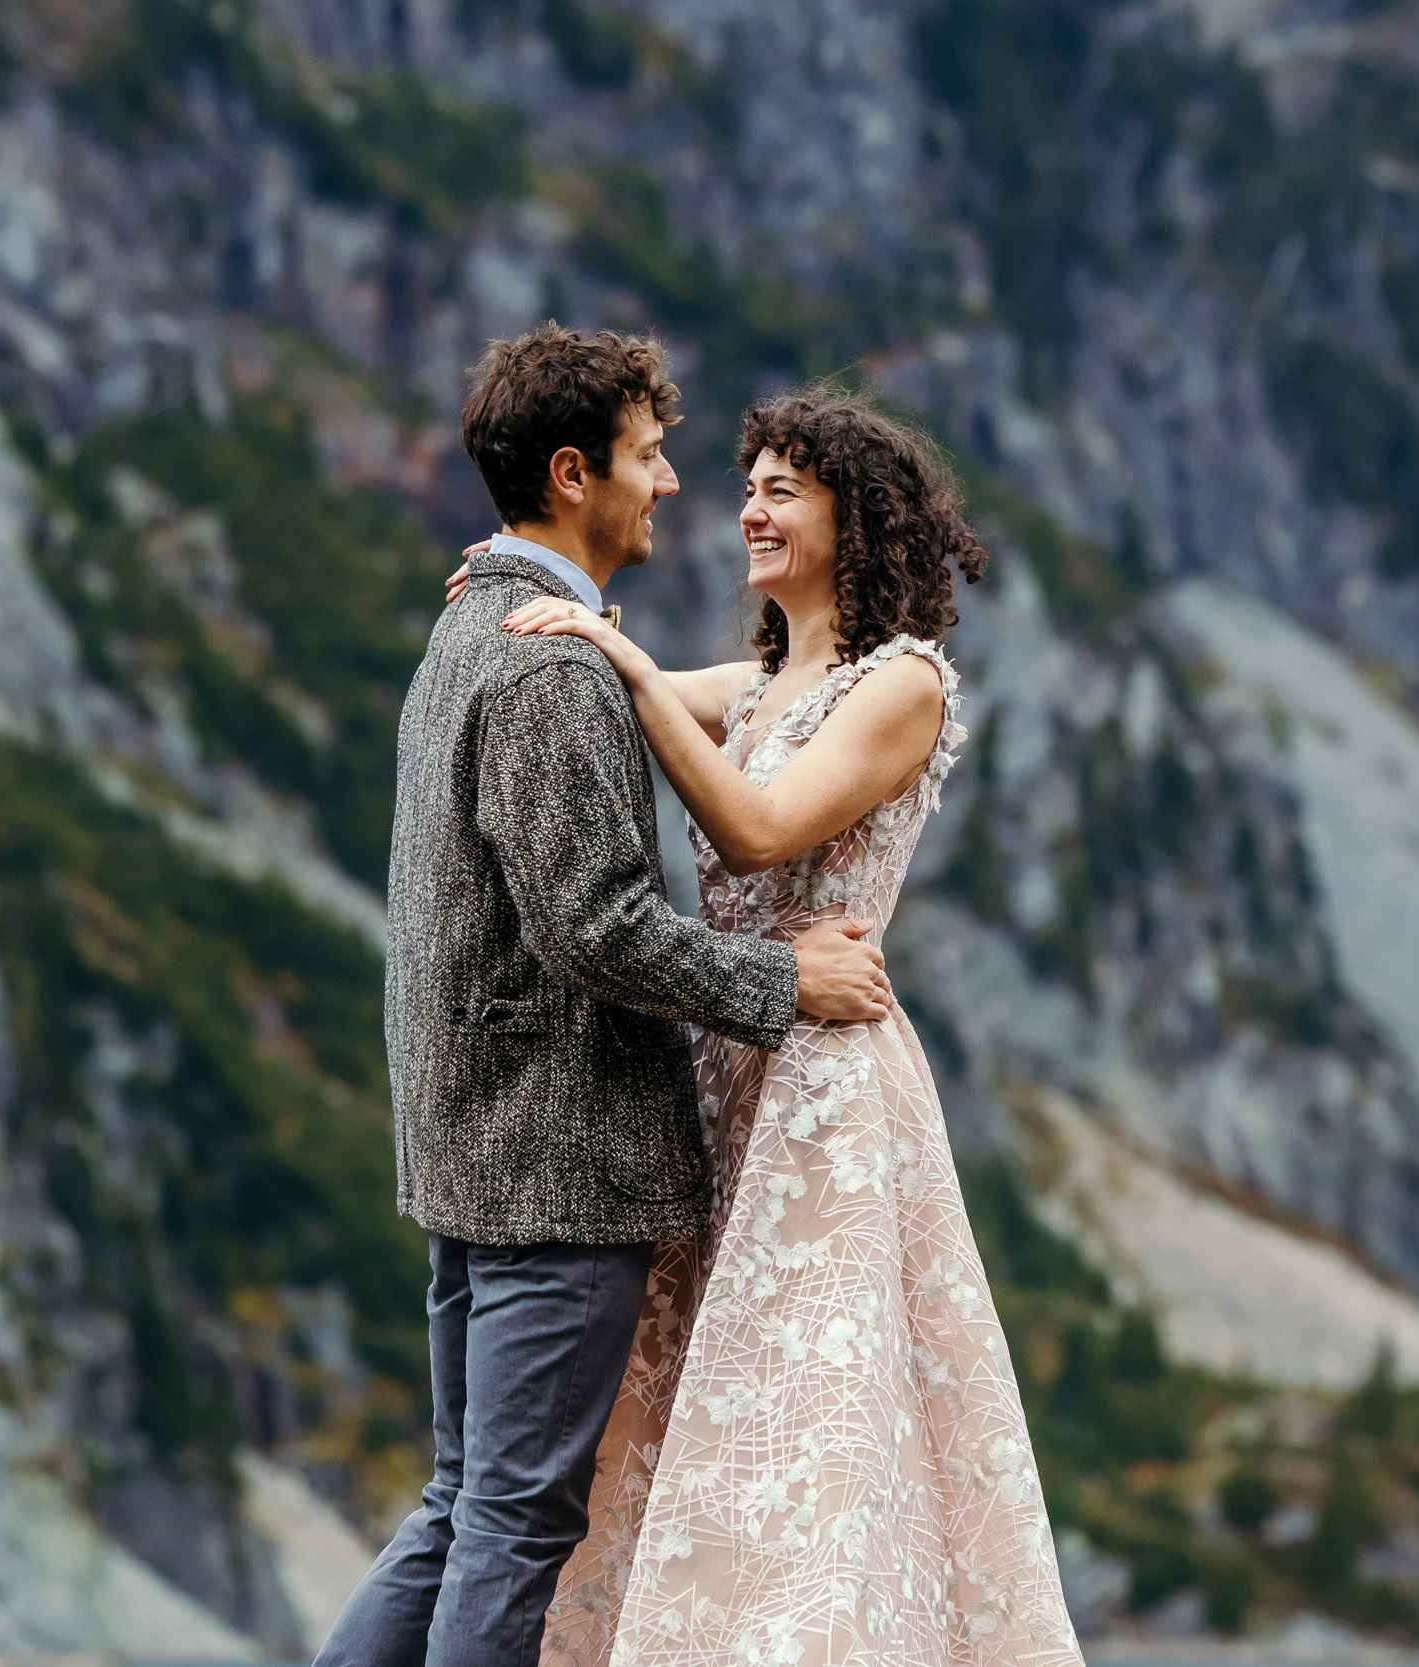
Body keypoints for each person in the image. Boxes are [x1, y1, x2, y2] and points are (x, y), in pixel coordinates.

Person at [457, 388, 1083, 1663]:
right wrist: (511, 590)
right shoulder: (761, 678)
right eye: (748, 482)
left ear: (858, 518)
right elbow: (593, 668)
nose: (747, 505)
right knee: (706, 1412)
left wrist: (623, 657)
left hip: (824, 1093)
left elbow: (754, 826)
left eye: (783, 487)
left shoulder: (901, 682)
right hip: (724, 1067)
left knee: (804, 1417)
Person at [315, 327, 899, 1667]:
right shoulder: (547, 665)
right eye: (649, 455)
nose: (674, 485)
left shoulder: (474, 629)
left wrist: (648, 665)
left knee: (464, 1503)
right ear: (574, 474)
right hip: (560, 1166)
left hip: (479, 1153)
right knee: (515, 1522)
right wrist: (783, 978)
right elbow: (598, 927)